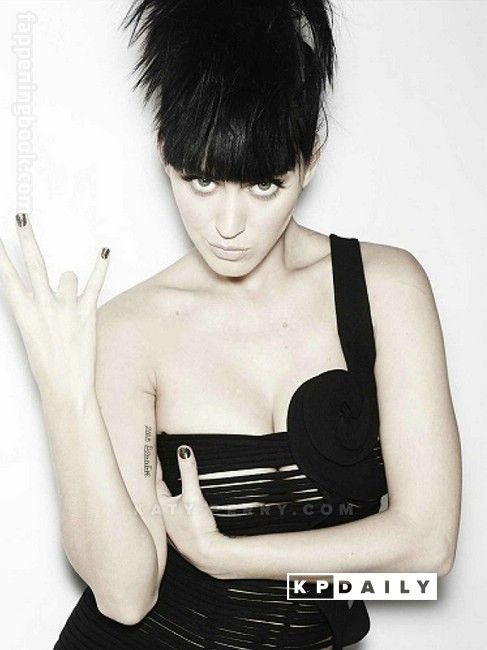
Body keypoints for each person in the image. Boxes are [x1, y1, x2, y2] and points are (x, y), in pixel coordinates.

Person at [0, 0, 461, 648]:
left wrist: (226, 556)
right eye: (201, 181)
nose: (228, 225)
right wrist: (62, 389)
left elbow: (429, 547)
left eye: (263, 185)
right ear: (165, 154)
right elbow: (126, 595)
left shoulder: (386, 290)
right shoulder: (133, 329)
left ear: (310, 159)